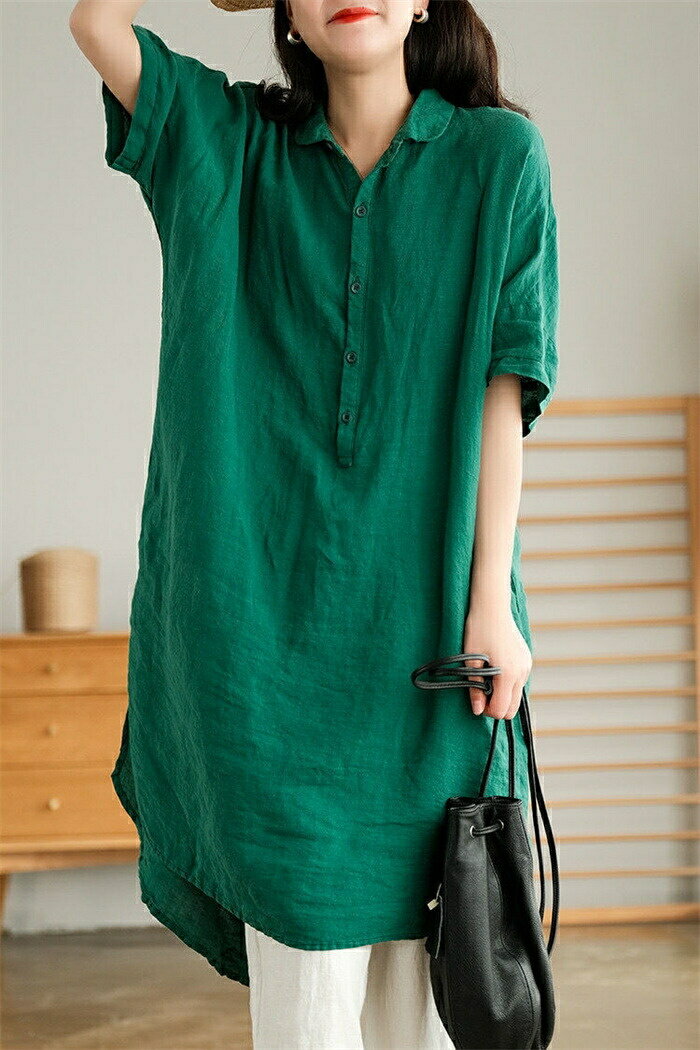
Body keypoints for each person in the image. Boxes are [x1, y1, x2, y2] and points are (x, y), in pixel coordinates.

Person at [69, 0, 559, 1046]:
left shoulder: (498, 158)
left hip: (434, 648)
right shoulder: (229, 146)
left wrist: (492, 607)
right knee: (305, 1016)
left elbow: (504, 385)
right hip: (265, 673)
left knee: (430, 1005)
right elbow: (96, 22)